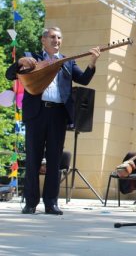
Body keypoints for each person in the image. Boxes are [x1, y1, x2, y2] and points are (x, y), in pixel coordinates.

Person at [5, 27, 101, 215]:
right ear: (43, 40)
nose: (56, 40)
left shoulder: (67, 62)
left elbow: (84, 80)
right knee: (33, 158)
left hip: (58, 114)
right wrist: (19, 63)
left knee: (54, 160)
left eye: (59, 37)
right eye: (52, 37)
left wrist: (93, 61)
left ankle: (51, 203)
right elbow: (10, 75)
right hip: (37, 114)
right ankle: (30, 203)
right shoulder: (31, 58)